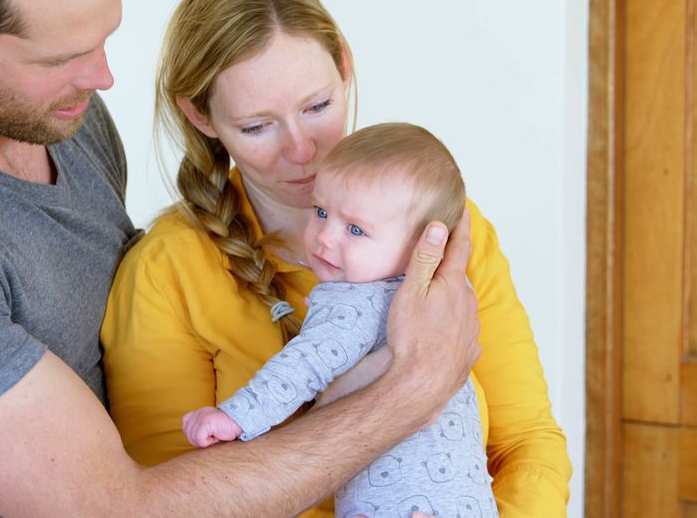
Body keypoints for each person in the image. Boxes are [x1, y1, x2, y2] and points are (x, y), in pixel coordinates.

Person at [0, 0, 480, 516]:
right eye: (58, 59)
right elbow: (115, 509)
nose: (104, 77)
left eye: (103, 39)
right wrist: (410, 390)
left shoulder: (61, 121)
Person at [100, 0, 572, 518]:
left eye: (317, 106)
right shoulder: (166, 273)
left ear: (344, 65)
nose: (303, 150)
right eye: (257, 126)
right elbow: (174, 504)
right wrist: (395, 392)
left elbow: (528, 445)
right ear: (201, 117)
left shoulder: (444, 230)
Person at [181, 123, 500, 518]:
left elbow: (303, 367)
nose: (324, 238)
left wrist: (235, 417)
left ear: (424, 244)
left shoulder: (354, 302)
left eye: (354, 229)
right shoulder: (448, 297)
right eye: (320, 211)